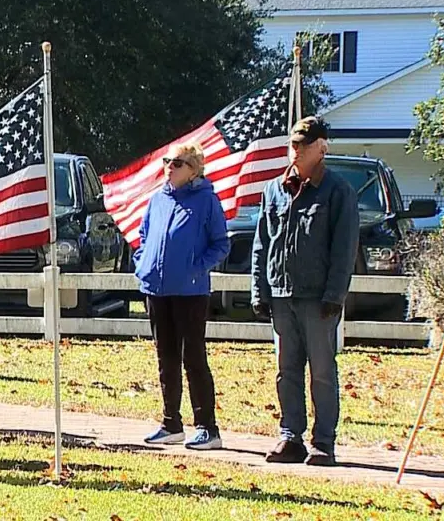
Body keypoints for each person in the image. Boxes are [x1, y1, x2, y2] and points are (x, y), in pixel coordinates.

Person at [251, 116, 359, 467]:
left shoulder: (338, 191)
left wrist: (334, 295)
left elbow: (344, 249)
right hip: (282, 294)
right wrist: (259, 290)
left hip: (318, 298)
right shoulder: (275, 189)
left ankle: (323, 442)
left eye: (303, 144)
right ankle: (290, 437)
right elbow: (261, 244)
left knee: (323, 371)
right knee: (287, 369)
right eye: (293, 143)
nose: (294, 150)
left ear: (322, 147)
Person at [135, 142, 230, 450]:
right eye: (167, 162)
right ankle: (170, 423)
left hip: (190, 291)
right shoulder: (157, 200)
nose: (169, 167)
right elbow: (144, 236)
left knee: (194, 358)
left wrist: (196, 268)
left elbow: (220, 244)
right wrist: (143, 264)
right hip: (157, 289)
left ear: (193, 170)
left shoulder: (206, 201)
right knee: (166, 358)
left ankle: (207, 427)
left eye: (177, 163)